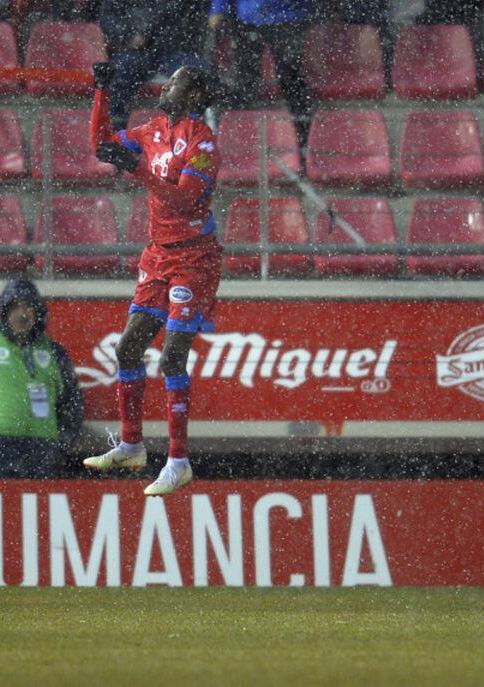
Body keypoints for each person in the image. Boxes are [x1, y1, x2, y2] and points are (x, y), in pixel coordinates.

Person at [84, 62, 222, 496]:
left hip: (194, 259)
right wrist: (102, 93)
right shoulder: (153, 129)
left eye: (179, 79)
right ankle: (131, 444)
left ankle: (178, 461)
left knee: (171, 358)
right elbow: (100, 145)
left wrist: (136, 170)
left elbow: (183, 198)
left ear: (195, 94)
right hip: (157, 255)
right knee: (127, 349)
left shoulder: (203, 144)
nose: (168, 84)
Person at [0, 279, 83, 479]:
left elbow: (72, 402)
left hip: (42, 450)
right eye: (14, 307)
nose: (21, 314)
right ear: (4, 312)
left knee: (41, 510)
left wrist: (61, 441)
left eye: (28, 307)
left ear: (38, 313)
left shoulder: (54, 352)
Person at [209, 0, 314, 154]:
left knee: (291, 82)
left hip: (287, 18)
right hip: (248, 18)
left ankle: (304, 147)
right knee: (244, 84)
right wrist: (218, 8)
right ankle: (238, 149)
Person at [97, 0, 213, 130]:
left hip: (173, 50)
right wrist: (129, 36)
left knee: (200, 75)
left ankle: (193, 129)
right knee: (120, 73)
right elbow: (109, 17)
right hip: (136, 52)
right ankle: (116, 128)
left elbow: (194, 15)